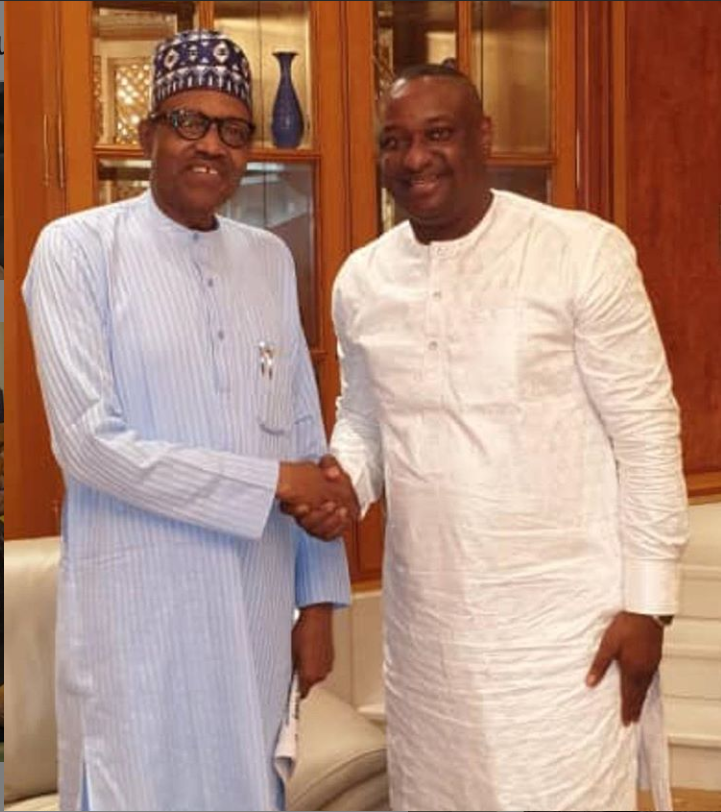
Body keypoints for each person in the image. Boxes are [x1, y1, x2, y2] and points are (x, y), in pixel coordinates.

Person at [285, 65, 689, 811]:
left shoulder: (580, 252)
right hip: (431, 633)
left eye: (437, 134)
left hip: (566, 631)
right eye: (395, 141)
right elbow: (367, 422)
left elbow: (646, 432)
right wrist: (342, 483)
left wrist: (648, 605)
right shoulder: (362, 281)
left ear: (482, 138)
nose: (415, 159)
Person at [22, 29, 357, 812]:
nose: (211, 146)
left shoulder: (268, 258)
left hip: (255, 606)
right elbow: (90, 447)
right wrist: (273, 482)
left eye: (233, 130)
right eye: (188, 123)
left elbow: (302, 432)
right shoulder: (76, 251)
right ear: (149, 137)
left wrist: (317, 605)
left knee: (249, 788)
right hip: (138, 611)